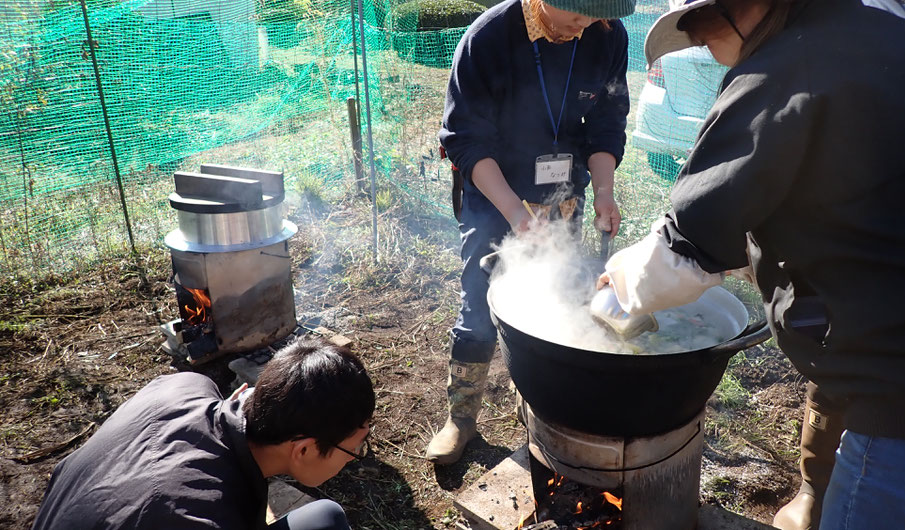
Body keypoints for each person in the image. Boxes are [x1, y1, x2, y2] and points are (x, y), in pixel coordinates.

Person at [597, 0, 905, 528]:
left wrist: (618, 290)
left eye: (703, 24)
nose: (703, 46)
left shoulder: (785, 65)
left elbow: (688, 241)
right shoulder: (896, 30)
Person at [427, 0, 636, 465]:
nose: (583, 30)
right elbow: (465, 139)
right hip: (495, 190)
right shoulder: (487, 40)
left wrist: (603, 191)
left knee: (559, 298)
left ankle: (539, 407)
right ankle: (461, 418)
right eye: (575, 17)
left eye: (592, 20)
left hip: (564, 192)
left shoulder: (608, 34)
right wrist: (516, 216)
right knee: (480, 302)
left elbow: (606, 124)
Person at [32, 335, 375, 530]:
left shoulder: (184, 385)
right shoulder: (199, 519)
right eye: (354, 450)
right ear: (303, 449)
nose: (355, 459)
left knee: (321, 519)